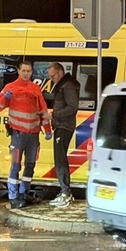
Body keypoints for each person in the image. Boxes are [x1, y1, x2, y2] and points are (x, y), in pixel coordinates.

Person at [0, 61, 51, 209]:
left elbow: (43, 110)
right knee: (16, 165)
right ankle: (13, 197)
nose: (26, 73)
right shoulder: (10, 87)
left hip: (33, 134)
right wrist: (6, 97)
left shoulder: (35, 88)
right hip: (18, 133)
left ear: (32, 72)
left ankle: (24, 192)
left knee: (30, 165)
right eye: (24, 70)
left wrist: (47, 129)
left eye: (29, 71)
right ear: (18, 71)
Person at [47, 63, 81, 208]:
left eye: (52, 76)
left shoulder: (67, 86)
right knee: (59, 159)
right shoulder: (65, 85)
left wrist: (54, 115)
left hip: (64, 126)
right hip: (62, 125)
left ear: (60, 73)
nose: (51, 79)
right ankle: (64, 192)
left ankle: (66, 193)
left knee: (60, 160)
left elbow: (73, 107)